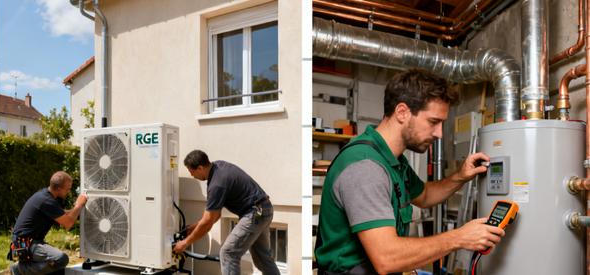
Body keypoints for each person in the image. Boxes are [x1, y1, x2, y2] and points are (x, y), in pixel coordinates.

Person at [315, 69, 505, 275]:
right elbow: (386, 258)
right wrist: (460, 237)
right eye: (433, 122)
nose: (439, 133)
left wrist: (460, 176)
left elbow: (424, 195)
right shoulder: (365, 167)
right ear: (402, 112)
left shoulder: (393, 161)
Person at [172, 150, 280, 275]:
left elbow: (208, 222)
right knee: (263, 258)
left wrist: (185, 243)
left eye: (192, 172)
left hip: (254, 214)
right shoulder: (218, 167)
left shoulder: (217, 184)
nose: (192, 175)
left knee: (228, 253)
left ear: (200, 168)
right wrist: (193, 227)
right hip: (264, 209)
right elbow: (215, 215)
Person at [9, 171, 88, 275]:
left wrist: (77, 209)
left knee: (56, 268)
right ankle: (19, 269)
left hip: (28, 242)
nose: (69, 191)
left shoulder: (46, 196)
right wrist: (78, 205)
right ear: (59, 189)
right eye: (67, 189)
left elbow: (64, 214)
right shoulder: (46, 201)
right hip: (24, 245)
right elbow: (68, 224)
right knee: (61, 259)